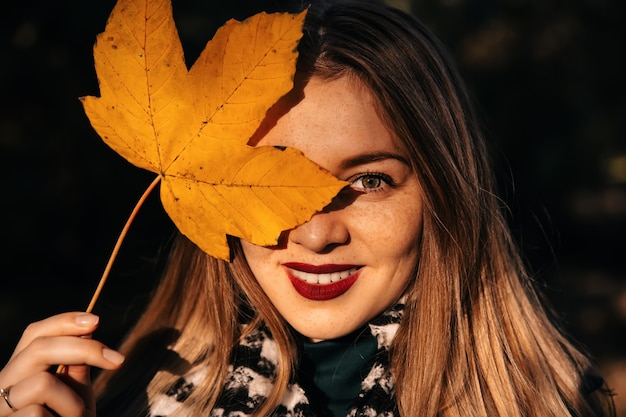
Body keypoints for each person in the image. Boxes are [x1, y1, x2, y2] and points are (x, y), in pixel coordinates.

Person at [0, 0, 616, 416]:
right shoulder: (121, 401)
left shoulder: (553, 401)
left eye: (371, 180)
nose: (317, 234)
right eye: (272, 179)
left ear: (444, 193)